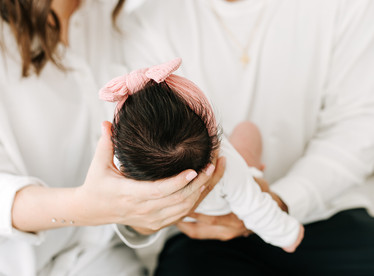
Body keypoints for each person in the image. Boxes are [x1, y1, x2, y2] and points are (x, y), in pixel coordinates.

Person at [0, 1, 225, 275]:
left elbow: (125, 195)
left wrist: (153, 211)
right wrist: (86, 207)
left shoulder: (109, 15)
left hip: (99, 257)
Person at [118, 0, 374, 274]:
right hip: (204, 233)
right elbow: (131, 146)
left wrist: (281, 201)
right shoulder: (145, 22)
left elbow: (358, 125)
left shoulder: (346, 7)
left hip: (324, 211)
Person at [100, 57, 304, 252]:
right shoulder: (226, 162)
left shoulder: (124, 170)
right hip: (229, 205)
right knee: (247, 130)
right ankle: (253, 169)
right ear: (212, 135)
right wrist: (288, 235)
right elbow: (256, 208)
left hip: (184, 220)